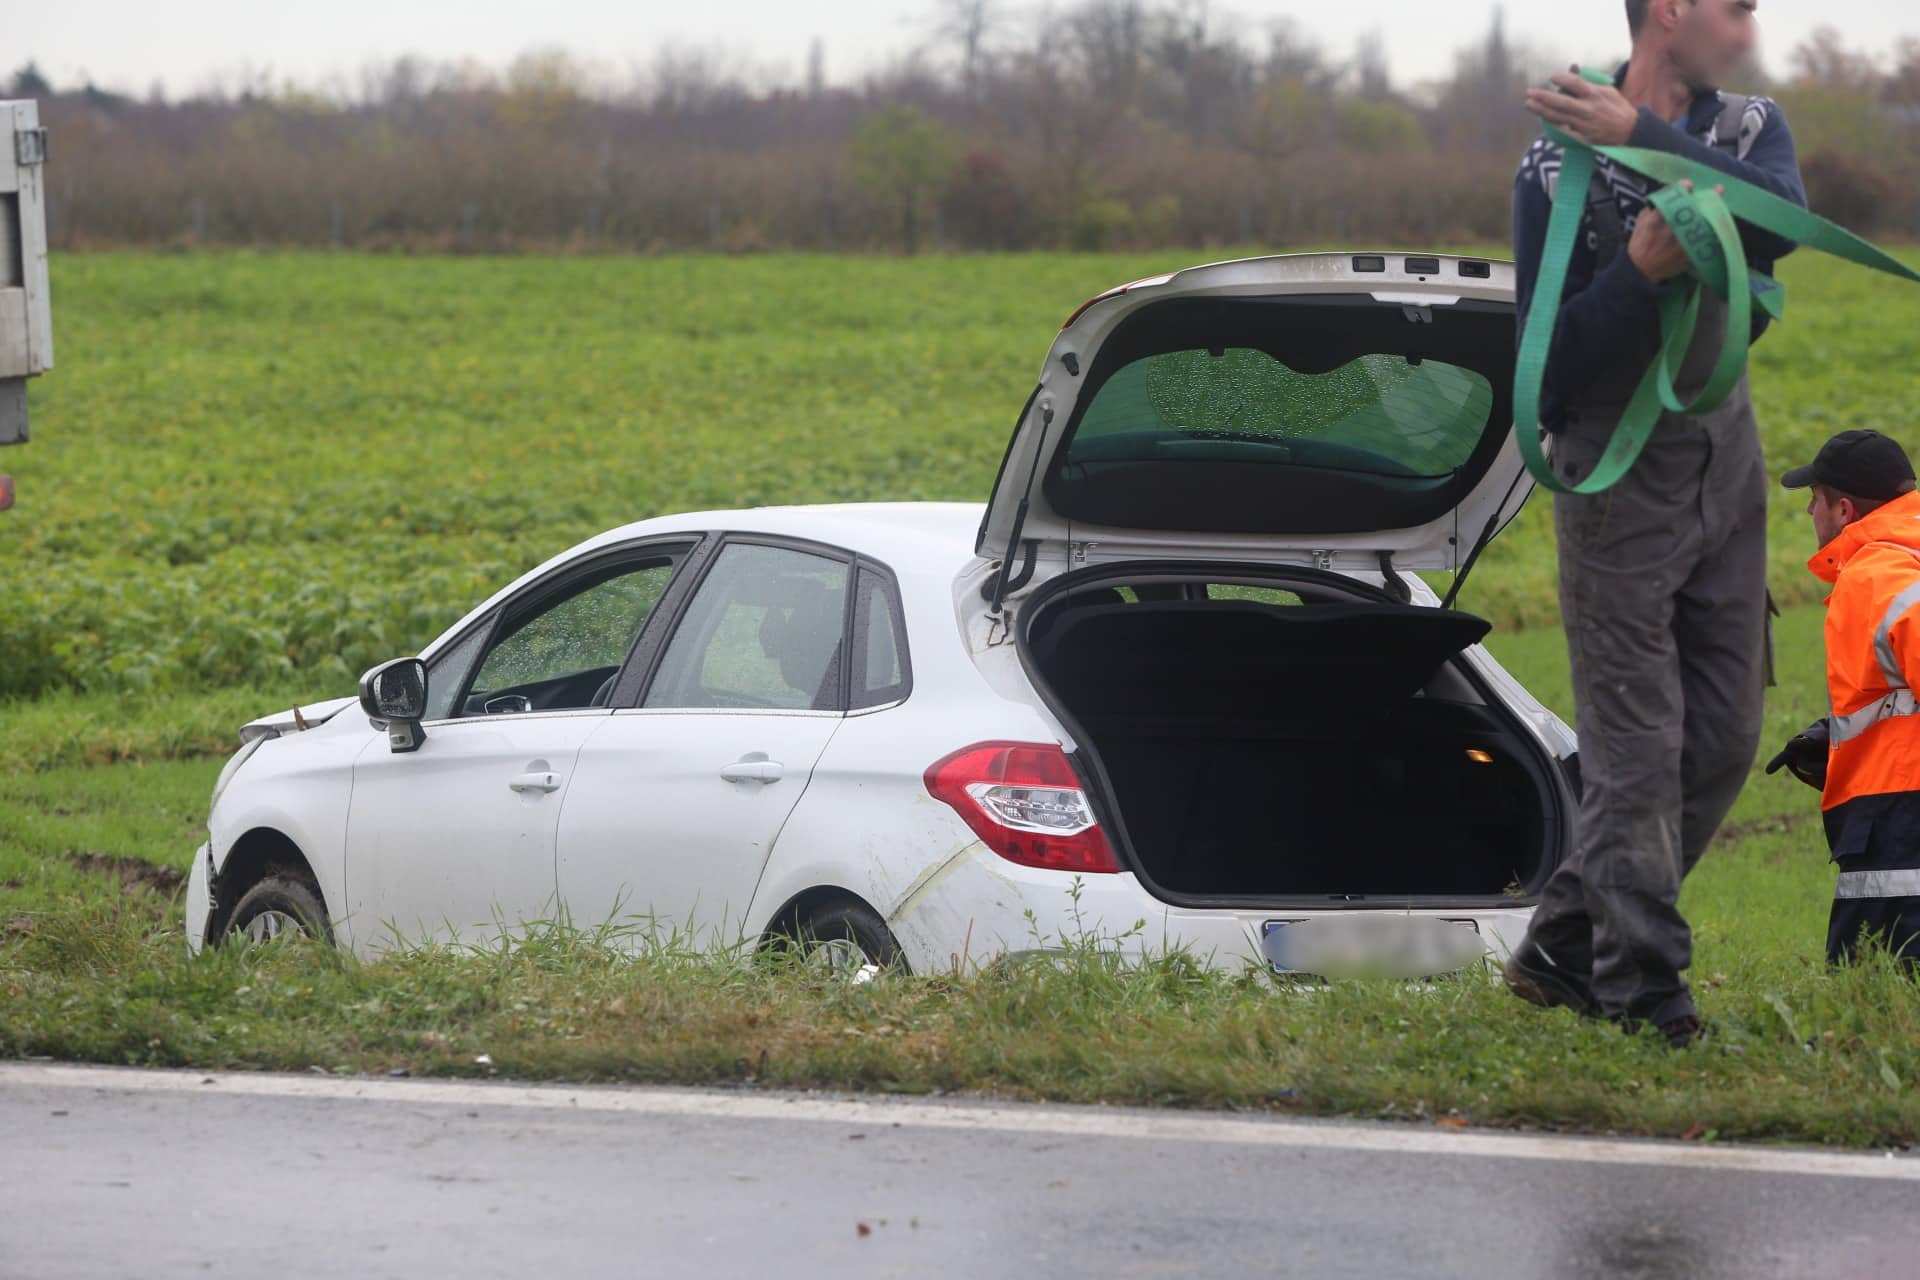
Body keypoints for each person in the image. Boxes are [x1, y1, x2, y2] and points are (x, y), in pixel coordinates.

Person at [1501, 0, 1808, 1047]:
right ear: (1668, 11)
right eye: (1736, 5)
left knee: (1722, 740)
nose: (1751, 22)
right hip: (1612, 477)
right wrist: (1636, 276)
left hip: (1728, 465)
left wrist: (1642, 141)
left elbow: (1778, 222)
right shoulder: (1551, 170)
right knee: (1639, 752)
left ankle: (1556, 946)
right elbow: (1551, 371)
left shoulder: (1749, 130)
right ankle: (1645, 992)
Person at [1768, 430, 1920, 969]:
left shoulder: (1876, 575)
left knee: (1876, 998)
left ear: (1844, 509)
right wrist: (1839, 734)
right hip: (1893, 814)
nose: (1810, 510)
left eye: (1815, 499)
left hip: (1897, 823)